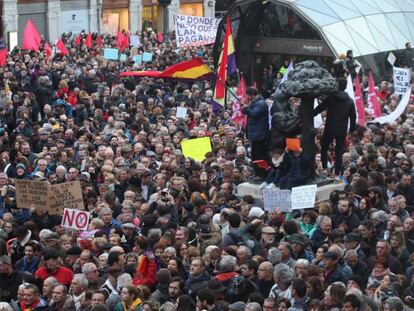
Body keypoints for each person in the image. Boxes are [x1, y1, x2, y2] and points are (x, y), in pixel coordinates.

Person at [314, 77, 356, 179]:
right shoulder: (350, 101)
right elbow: (353, 117)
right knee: (339, 151)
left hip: (330, 128)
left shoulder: (331, 97)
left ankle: (324, 169)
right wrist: (351, 130)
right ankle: (337, 174)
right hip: (341, 130)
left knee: (324, 148)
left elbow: (321, 107)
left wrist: (311, 113)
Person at [241, 87, 269, 180]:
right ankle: (257, 172)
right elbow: (248, 111)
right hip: (255, 134)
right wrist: (244, 107)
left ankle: (262, 173)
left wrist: (246, 108)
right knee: (254, 154)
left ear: (252, 95)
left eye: (248, 96)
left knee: (260, 155)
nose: (247, 97)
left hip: (260, 134)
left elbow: (254, 114)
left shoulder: (261, 103)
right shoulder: (254, 103)